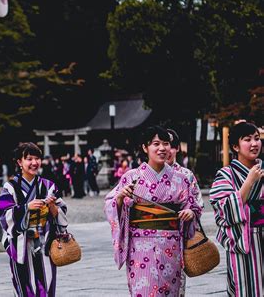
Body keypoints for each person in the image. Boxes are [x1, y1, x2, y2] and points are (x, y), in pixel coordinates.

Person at [104, 125, 202, 296]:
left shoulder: (182, 179)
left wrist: (191, 213)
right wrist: (119, 198)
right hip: (140, 246)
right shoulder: (131, 177)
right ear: (145, 147)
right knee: (144, 289)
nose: (162, 148)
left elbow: (193, 206)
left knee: (170, 291)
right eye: (156, 144)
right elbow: (111, 203)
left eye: (166, 144)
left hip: (170, 245)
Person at [0, 142, 68, 297]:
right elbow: (4, 215)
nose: (34, 163)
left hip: (45, 244)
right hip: (21, 244)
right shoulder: (10, 187)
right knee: (24, 287)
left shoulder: (48, 186)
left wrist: (53, 207)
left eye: (37, 158)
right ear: (19, 162)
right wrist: (26, 207)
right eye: (29, 159)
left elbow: (62, 213)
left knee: (46, 285)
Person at [209, 122, 263, 296]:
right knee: (246, 288)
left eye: (257, 138)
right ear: (235, 146)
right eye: (247, 139)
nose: (254, 143)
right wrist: (249, 182)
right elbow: (224, 211)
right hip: (245, 242)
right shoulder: (225, 175)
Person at [166, 128, 204, 297]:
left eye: (171, 146)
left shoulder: (186, 176)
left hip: (178, 238)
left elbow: (198, 203)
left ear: (177, 148)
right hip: (148, 242)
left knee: (176, 287)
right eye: (158, 144)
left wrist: (191, 212)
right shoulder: (140, 175)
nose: (166, 150)